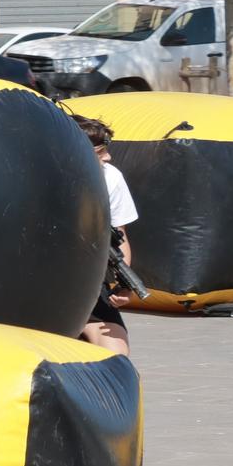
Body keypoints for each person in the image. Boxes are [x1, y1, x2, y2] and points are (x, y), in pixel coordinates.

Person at [73, 114, 139, 357]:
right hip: (39, 288)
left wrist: (124, 285)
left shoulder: (110, 177)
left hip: (87, 285)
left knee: (115, 357)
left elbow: (120, 236)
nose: (108, 157)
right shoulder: (38, 180)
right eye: (100, 152)